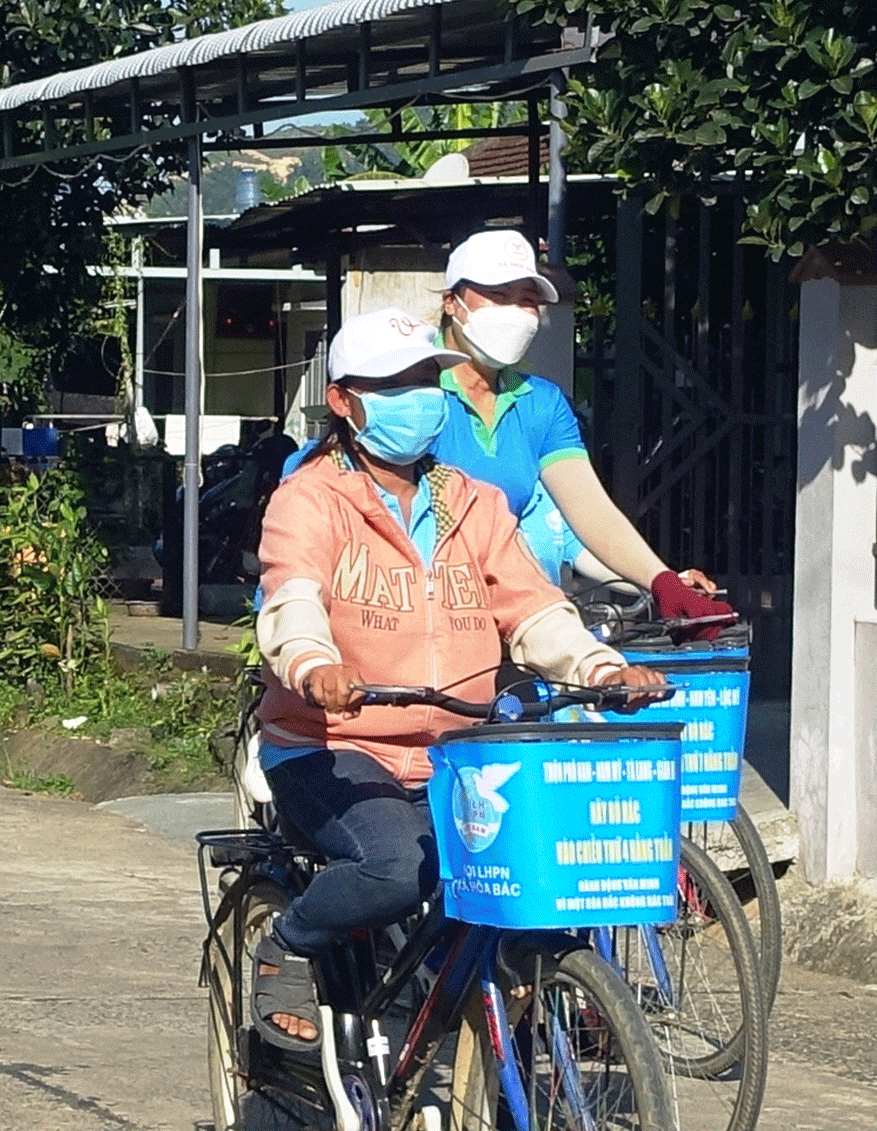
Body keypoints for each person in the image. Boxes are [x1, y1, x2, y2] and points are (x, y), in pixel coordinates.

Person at [247, 307, 664, 1047]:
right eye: (396, 382)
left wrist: (601, 666)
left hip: (460, 748)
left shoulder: (474, 503)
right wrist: (314, 664)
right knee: (398, 869)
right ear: (344, 400)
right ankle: (294, 938)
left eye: (427, 380)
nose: (419, 396)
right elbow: (292, 597)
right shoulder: (309, 498)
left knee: (518, 891)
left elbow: (532, 607)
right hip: (334, 745)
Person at [432, 229, 731, 627]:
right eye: (498, 295)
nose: (514, 312)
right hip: (422, 612)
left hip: (511, 614)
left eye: (527, 300)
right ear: (452, 301)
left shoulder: (542, 403)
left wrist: (664, 582)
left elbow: (590, 512)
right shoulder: (411, 394)